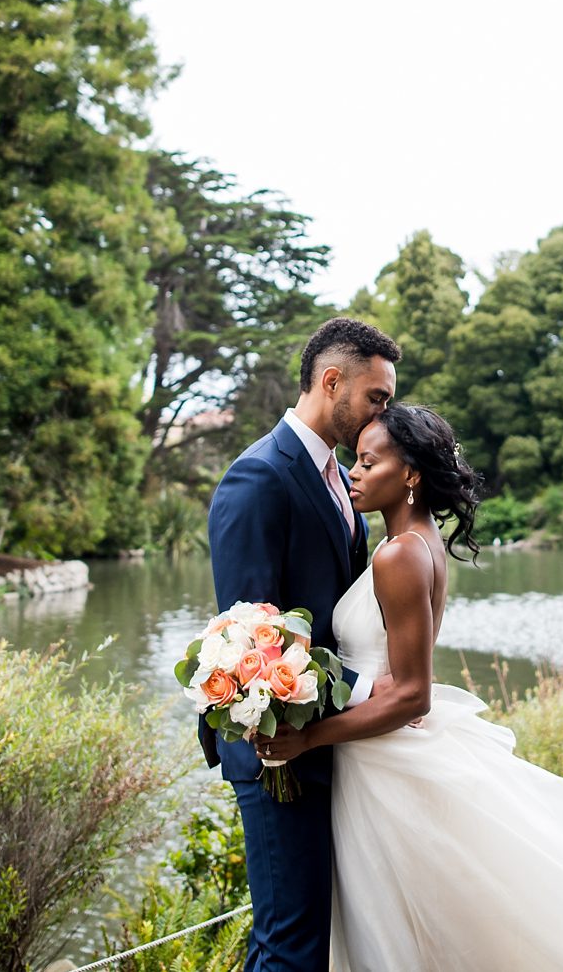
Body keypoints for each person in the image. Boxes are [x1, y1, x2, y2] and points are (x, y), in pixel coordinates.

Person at [257, 405, 563, 970]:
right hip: (377, 754)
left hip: (382, 767)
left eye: (369, 461)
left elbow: (412, 696)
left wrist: (307, 739)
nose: (354, 471)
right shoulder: (420, 540)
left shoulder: (400, 554)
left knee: (395, 933)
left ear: (410, 476)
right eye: (355, 459)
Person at [205, 317, 399, 972]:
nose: (383, 414)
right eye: (376, 397)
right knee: (289, 947)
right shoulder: (259, 477)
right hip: (276, 750)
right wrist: (375, 690)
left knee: (313, 938)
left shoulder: (340, 480)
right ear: (331, 381)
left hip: (325, 741)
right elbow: (253, 643)